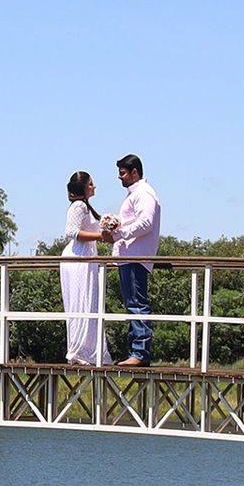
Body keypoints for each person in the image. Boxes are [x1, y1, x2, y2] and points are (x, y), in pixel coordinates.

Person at [102, 154, 161, 366]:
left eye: (123, 173)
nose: (120, 177)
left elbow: (146, 223)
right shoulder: (136, 194)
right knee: (133, 304)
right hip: (130, 256)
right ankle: (136, 351)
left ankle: (140, 353)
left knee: (137, 304)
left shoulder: (144, 194)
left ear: (135, 172)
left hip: (136, 256)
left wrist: (119, 233)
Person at [59, 171, 112, 366]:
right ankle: (80, 350)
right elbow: (71, 231)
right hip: (79, 256)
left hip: (87, 256)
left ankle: (87, 349)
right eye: (91, 184)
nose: (94, 186)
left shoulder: (86, 207)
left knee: (88, 301)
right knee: (82, 300)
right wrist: (100, 237)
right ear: (82, 188)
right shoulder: (79, 206)